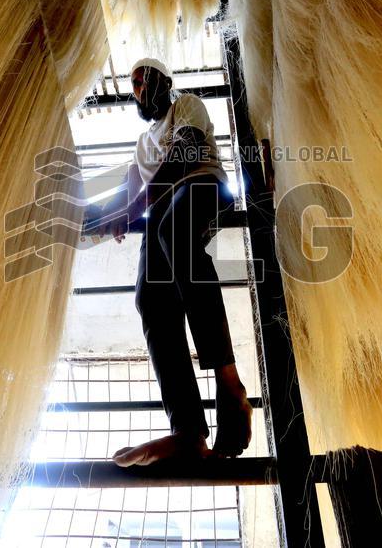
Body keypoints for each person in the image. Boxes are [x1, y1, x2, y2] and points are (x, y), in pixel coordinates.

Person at [84, 58, 253, 466]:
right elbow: (125, 201)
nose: (139, 88)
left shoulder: (188, 105)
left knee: (171, 227)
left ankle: (229, 384)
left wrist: (132, 209)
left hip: (204, 187)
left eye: (145, 79)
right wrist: (83, 223)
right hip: (164, 216)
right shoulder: (141, 147)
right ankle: (188, 432)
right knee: (150, 300)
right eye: (135, 85)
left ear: (165, 80)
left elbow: (184, 156)